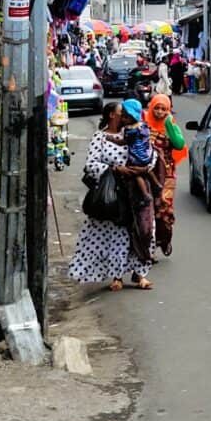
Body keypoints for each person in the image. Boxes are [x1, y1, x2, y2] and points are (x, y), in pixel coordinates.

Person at [68, 102, 154, 290]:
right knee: (119, 235)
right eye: (121, 112)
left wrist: (143, 167)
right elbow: (91, 165)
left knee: (144, 231)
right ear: (112, 116)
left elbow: (150, 153)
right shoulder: (100, 137)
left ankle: (141, 274)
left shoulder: (134, 131)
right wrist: (115, 170)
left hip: (137, 192)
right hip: (115, 193)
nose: (124, 115)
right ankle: (117, 276)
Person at [144, 94, 187, 256]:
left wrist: (169, 124)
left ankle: (164, 239)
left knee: (163, 210)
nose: (160, 112)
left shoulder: (170, 126)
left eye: (164, 109)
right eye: (157, 108)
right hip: (146, 174)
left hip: (166, 175)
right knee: (147, 210)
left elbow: (179, 144)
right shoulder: (144, 126)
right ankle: (149, 247)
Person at [107, 99, 160, 209]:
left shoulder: (130, 130)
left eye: (125, 117)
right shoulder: (143, 125)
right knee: (147, 169)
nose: (122, 118)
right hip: (146, 154)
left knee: (137, 174)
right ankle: (156, 183)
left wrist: (112, 140)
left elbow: (124, 142)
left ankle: (145, 194)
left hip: (136, 156)